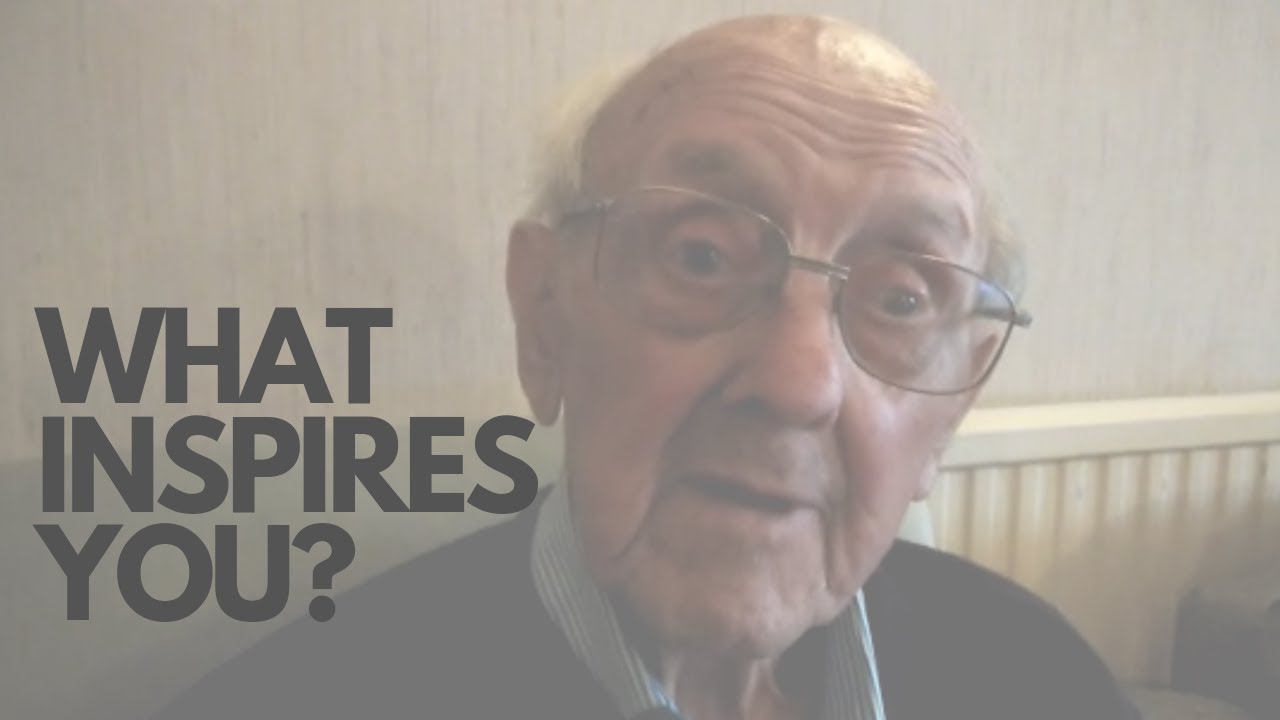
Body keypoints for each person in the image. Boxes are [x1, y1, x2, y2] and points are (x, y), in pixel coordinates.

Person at [156, 14, 1139, 720]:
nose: (797, 385)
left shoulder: (1040, 677)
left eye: (900, 301)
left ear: (952, 409)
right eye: (701, 256)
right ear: (546, 318)